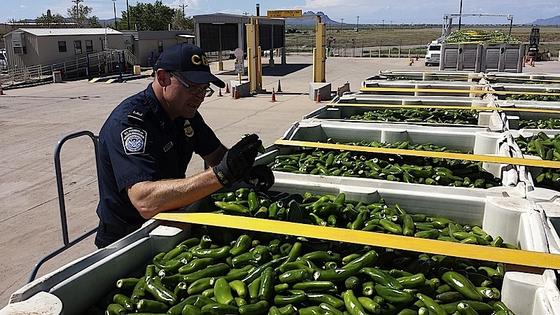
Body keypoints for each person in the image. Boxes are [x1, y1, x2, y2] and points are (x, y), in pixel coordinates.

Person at [94, 43, 267, 248]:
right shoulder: (131, 123)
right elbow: (144, 200)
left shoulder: (184, 114)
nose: (200, 96)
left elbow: (218, 156)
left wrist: (246, 170)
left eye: (204, 89)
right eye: (192, 86)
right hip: (128, 240)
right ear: (162, 78)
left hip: (168, 227)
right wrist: (220, 175)